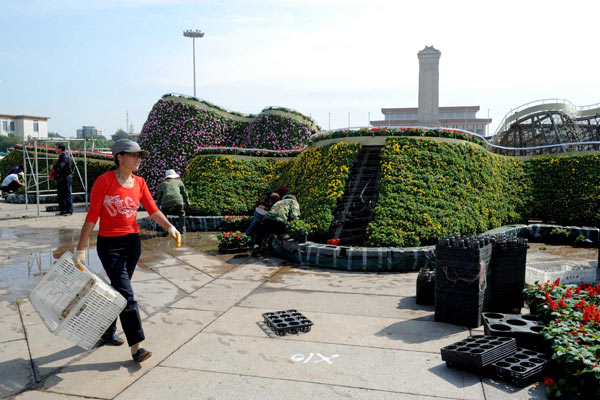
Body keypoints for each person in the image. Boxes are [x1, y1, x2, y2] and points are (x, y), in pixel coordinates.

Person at [74, 139, 181, 363]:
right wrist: (80, 249)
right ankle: (137, 347)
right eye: (133, 155)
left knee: (119, 292)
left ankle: (106, 332)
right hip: (109, 246)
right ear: (119, 157)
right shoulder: (104, 182)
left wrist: (170, 226)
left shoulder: (140, 182)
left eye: (140, 156)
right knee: (128, 295)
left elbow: (152, 209)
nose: (138, 159)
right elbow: (92, 217)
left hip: (133, 243)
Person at [156, 169, 189, 233]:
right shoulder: (179, 182)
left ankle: (165, 229)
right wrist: (187, 201)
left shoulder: (162, 184)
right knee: (181, 213)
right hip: (178, 200)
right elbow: (184, 192)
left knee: (164, 214)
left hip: (166, 201)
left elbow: (159, 196)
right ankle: (182, 229)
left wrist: (159, 204)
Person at [52, 143, 73, 216]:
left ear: (60, 149)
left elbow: (61, 166)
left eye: (56, 148)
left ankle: (69, 211)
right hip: (61, 177)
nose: (55, 149)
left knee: (66, 193)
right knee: (61, 194)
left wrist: (53, 167)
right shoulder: (61, 156)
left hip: (66, 177)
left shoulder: (64, 156)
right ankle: (63, 210)